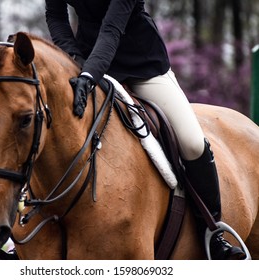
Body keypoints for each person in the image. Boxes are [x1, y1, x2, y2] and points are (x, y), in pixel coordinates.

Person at [45, 0, 245, 260]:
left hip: (141, 64)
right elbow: (56, 15)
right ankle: (26, 235)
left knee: (192, 143)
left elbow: (112, 29)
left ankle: (213, 233)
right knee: (47, 130)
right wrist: (73, 58)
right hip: (86, 59)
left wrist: (88, 75)